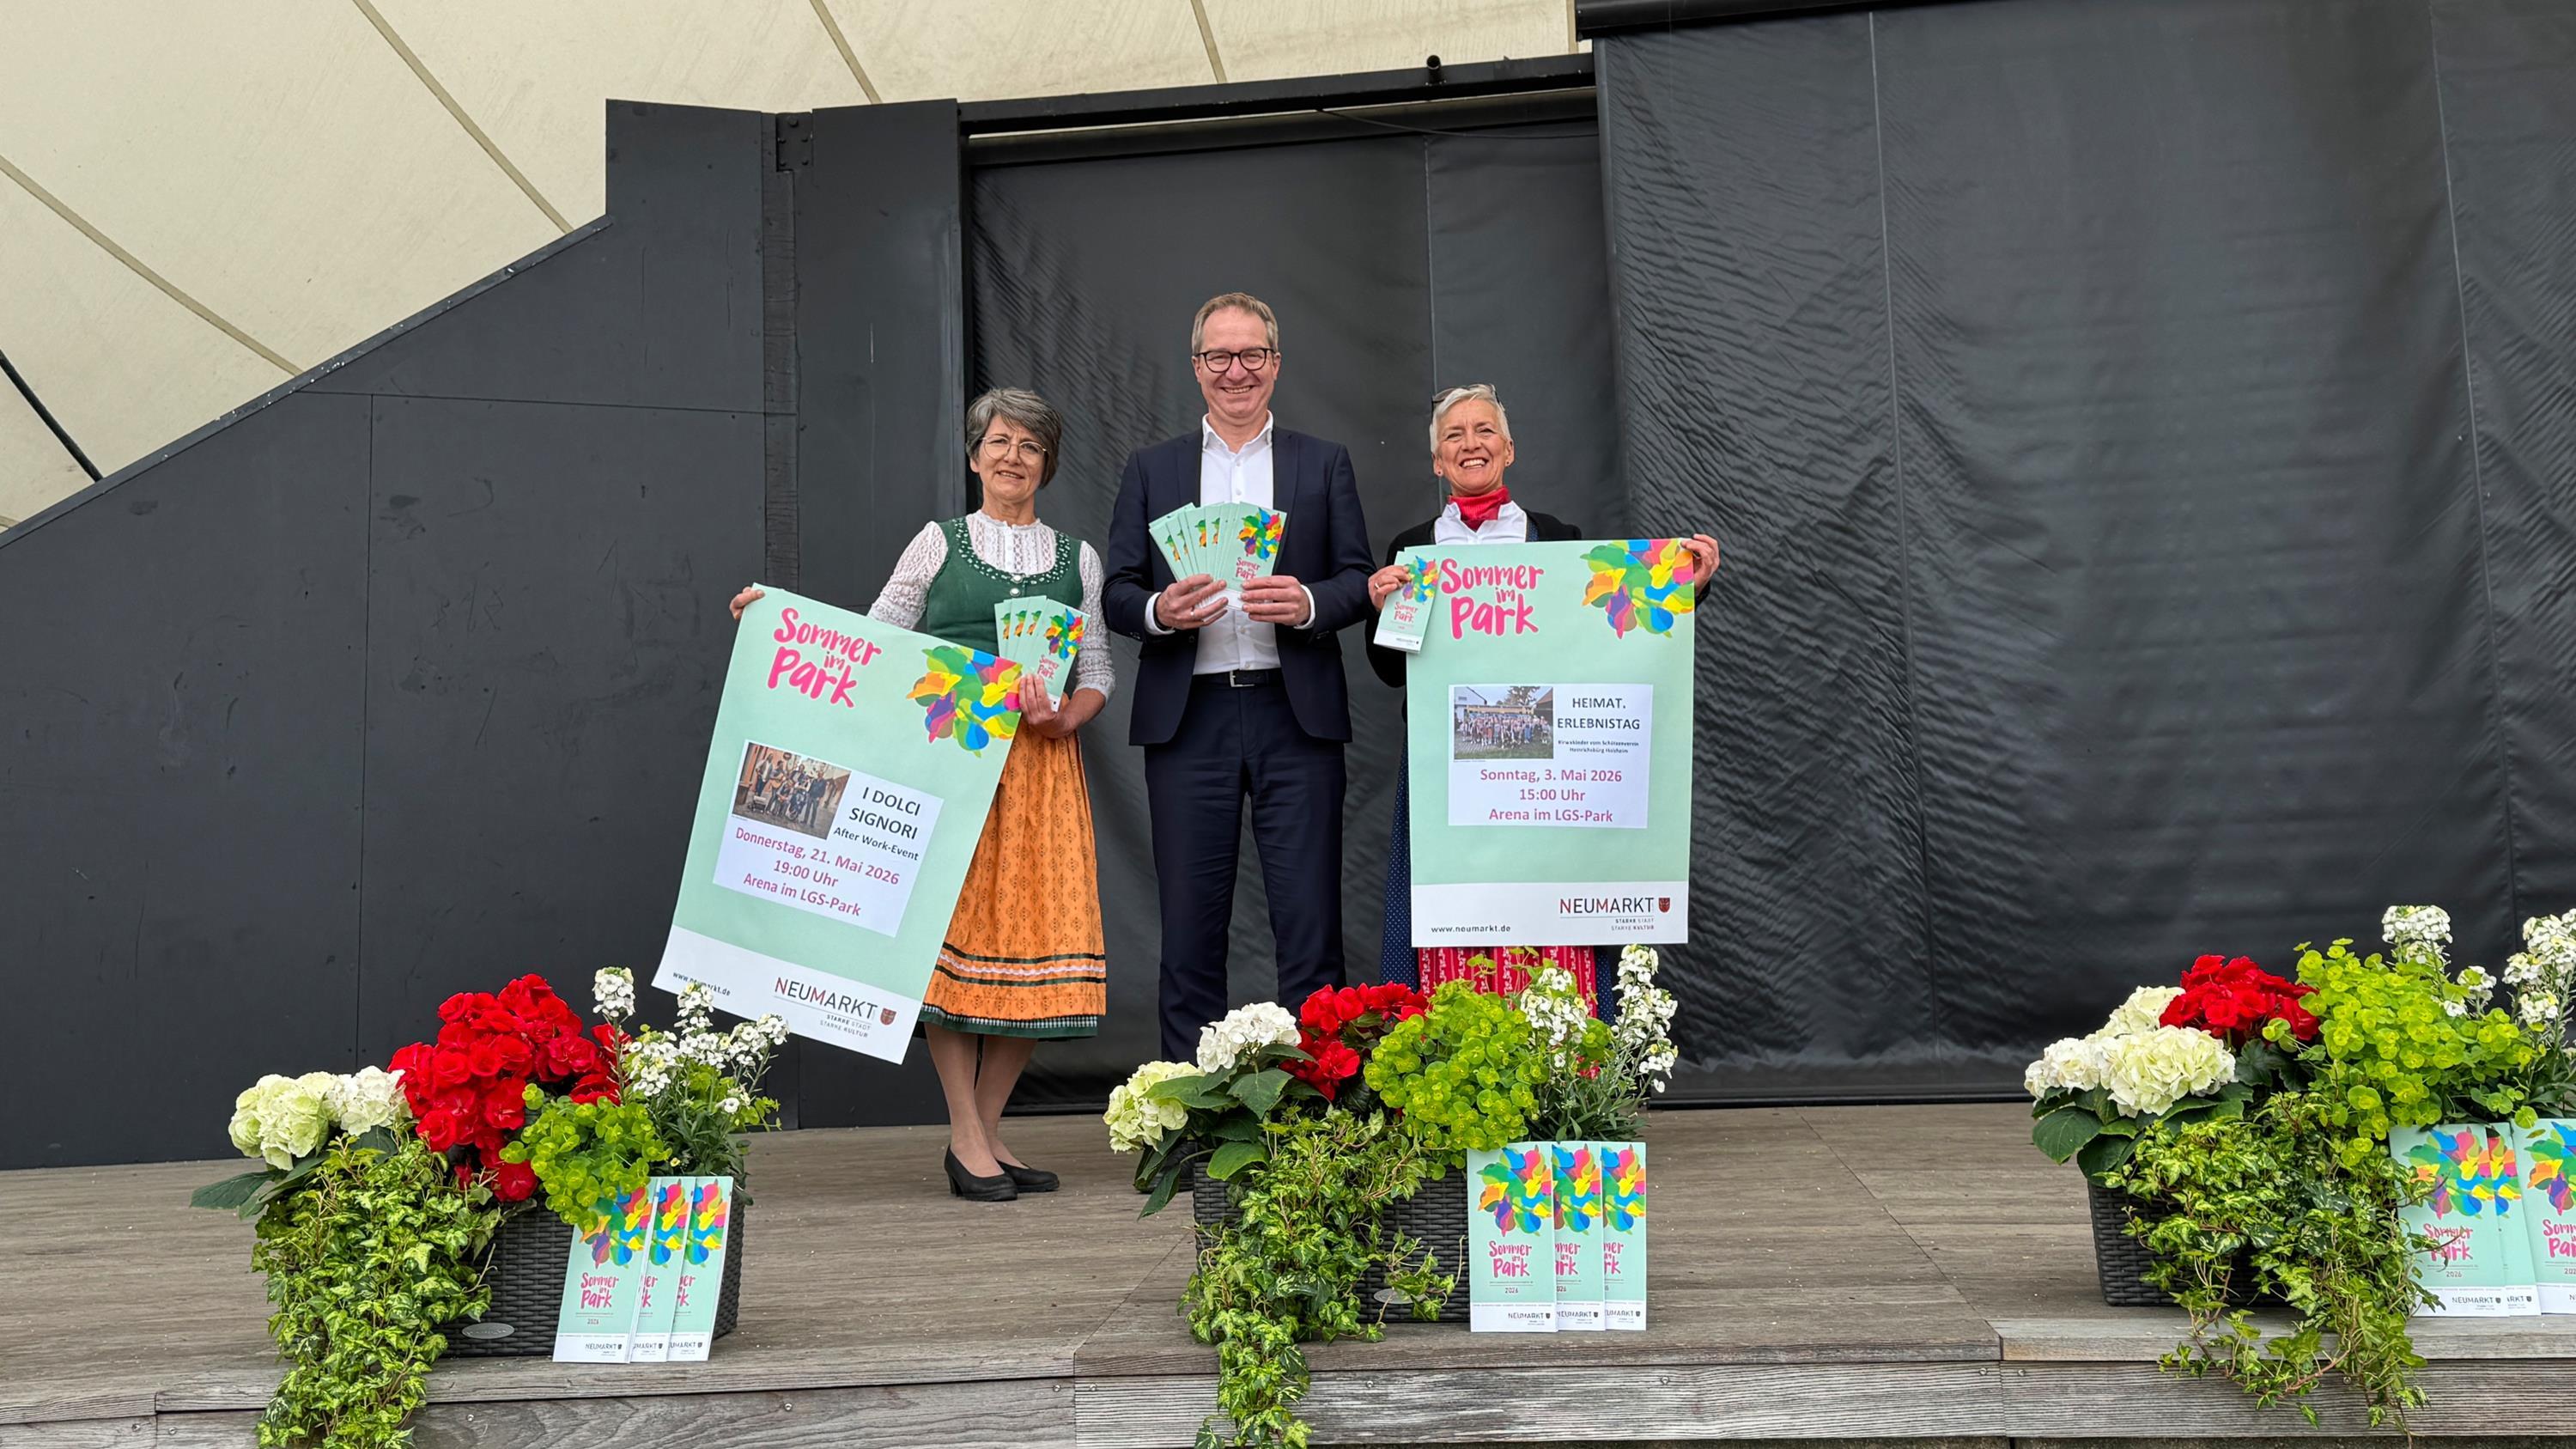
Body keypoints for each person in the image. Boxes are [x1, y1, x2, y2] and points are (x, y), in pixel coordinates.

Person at [730, 387, 1112, 1203]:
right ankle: (966, 1135)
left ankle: (986, 1128)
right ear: (975, 456)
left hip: (1041, 771)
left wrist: (1062, 718)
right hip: (953, 759)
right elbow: (875, 637)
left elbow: (1101, 674)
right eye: (1000, 442)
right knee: (951, 940)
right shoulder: (939, 543)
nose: (1014, 457)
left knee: (1041, 943)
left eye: (1030, 446)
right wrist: (780, 616)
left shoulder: (1078, 557)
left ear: (1049, 462)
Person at [1364, 383, 1718, 1006]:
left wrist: (1689, 587)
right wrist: (1379, 608)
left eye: (1483, 431)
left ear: (1509, 449)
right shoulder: (1411, 549)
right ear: (1437, 462)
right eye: (1454, 435)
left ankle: (1565, 1066)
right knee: (1450, 915)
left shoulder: (1558, 539)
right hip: (1444, 768)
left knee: (1547, 916)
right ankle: (1444, 1054)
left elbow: (1610, 634)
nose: (1470, 443)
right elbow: (1391, 672)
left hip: (1541, 762)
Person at [1103, 292, 1376, 1059]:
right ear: (1197, 368)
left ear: (1276, 364)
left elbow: (1359, 577)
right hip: (1189, 720)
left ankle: (1319, 1123)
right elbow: (1117, 592)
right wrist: (1160, 607)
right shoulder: (1152, 469)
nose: (1236, 371)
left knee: (1312, 928)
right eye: (1219, 356)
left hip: (1298, 717)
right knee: (1190, 932)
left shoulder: (1322, 462)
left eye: (1252, 354)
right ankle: (1189, 1124)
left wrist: (1312, 600)